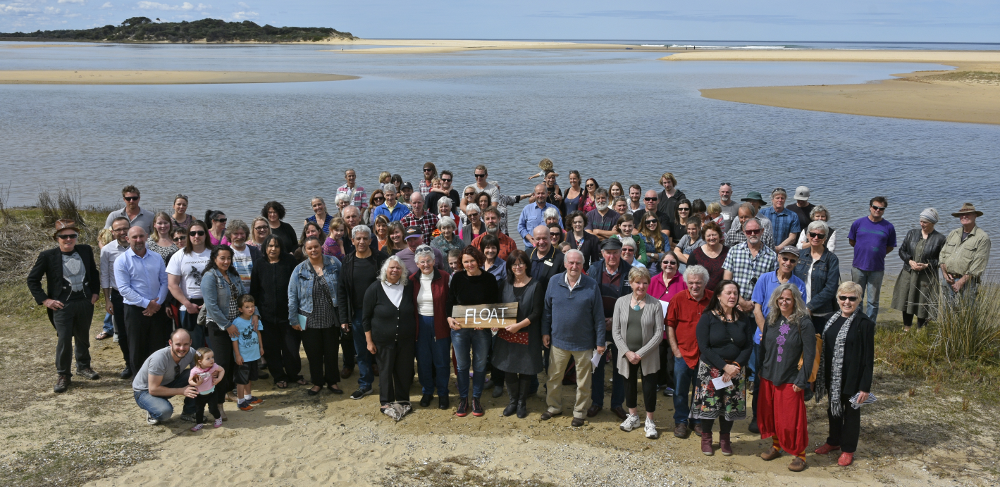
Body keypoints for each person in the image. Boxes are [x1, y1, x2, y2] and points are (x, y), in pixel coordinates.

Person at [27, 219, 101, 393]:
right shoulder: (47, 256)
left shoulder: (85, 250)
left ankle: (83, 367)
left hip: (84, 302)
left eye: (72, 236)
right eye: (64, 236)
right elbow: (32, 280)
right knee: (64, 339)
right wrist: (46, 300)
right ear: (57, 238)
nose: (68, 239)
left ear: (76, 237)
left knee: (83, 336)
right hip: (62, 305)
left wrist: (95, 292)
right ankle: (63, 375)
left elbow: (94, 272)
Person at [541, 249, 606, 427]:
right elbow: (547, 310)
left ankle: (579, 412)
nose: (574, 266)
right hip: (558, 341)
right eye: (571, 262)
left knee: (583, 382)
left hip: (584, 343)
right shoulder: (554, 282)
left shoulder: (591, 285)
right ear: (565, 264)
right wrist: (545, 332)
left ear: (583, 265)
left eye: (578, 263)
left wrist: (600, 342)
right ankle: (554, 407)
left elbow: (599, 317)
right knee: (554, 377)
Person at [814, 281, 876, 467]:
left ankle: (848, 449)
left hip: (853, 378)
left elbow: (868, 358)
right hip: (832, 376)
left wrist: (865, 387)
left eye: (852, 298)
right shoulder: (829, 319)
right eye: (843, 297)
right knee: (833, 410)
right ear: (837, 298)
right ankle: (834, 441)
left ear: (859, 300)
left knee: (850, 414)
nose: (847, 302)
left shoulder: (864, 323)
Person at [757, 284, 815, 472]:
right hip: (768, 376)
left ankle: (800, 454)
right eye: (781, 298)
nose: (784, 302)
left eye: (788, 299)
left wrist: (802, 379)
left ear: (795, 300)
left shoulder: (803, 323)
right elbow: (764, 348)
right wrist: (760, 371)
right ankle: (776, 445)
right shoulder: (771, 319)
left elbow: (809, 354)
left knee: (791, 420)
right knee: (772, 415)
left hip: (790, 378)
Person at [748, 246, 806, 432]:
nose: (788, 263)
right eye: (785, 259)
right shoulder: (765, 279)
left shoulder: (799, 284)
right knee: (761, 379)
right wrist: (766, 332)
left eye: (792, 260)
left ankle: (779, 419)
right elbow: (757, 309)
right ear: (778, 258)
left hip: (786, 343)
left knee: (782, 382)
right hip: (762, 339)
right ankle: (758, 418)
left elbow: (799, 313)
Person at [694, 280, 753, 456]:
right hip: (712, 370)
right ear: (719, 296)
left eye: (735, 293)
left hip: (735, 370)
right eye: (728, 293)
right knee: (709, 405)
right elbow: (704, 346)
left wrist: (734, 366)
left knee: (730, 406)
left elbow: (748, 346)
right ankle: (706, 439)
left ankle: (725, 439)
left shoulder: (743, 319)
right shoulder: (707, 317)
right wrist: (723, 366)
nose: (733, 296)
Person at [201, 244, 256, 416]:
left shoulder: (233, 274)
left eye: (228, 258)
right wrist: (227, 325)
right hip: (219, 326)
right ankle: (217, 404)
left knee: (235, 362)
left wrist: (255, 314)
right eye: (222, 258)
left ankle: (228, 392)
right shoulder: (209, 277)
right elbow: (211, 306)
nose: (226, 261)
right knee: (221, 364)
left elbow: (243, 297)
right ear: (214, 259)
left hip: (237, 325)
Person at [489, 250, 544, 418]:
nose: (518, 266)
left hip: (527, 333)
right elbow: (498, 307)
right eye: (514, 264)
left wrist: (519, 326)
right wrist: (495, 324)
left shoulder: (536, 285)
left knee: (526, 369)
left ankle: (522, 402)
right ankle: (512, 401)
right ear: (510, 267)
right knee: (509, 368)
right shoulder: (504, 284)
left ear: (526, 265)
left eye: (521, 263)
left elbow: (536, 312)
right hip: (507, 335)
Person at [446, 247, 500, 417]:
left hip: (481, 330)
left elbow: (494, 304)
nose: (469, 265)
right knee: (462, 366)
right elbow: (450, 301)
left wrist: (486, 323)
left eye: (472, 261)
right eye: (465, 262)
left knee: (479, 365)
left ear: (478, 260)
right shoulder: (457, 278)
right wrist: (448, 318)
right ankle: (463, 399)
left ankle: (476, 398)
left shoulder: (489, 279)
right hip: (460, 329)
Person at [611, 266, 664, 439]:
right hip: (626, 355)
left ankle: (650, 420)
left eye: (644, 283)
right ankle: (633, 416)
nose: (641, 286)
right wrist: (627, 352)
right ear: (631, 283)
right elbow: (616, 331)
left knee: (649, 387)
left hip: (648, 355)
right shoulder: (621, 302)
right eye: (637, 282)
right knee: (629, 385)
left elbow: (658, 333)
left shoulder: (655, 304)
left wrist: (640, 353)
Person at [288, 236, 344, 396]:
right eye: (309, 248)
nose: (313, 250)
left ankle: (332, 381)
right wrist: (293, 319)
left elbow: (343, 287)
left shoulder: (334, 264)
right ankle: (317, 382)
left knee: (332, 352)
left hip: (331, 316)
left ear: (321, 247)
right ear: (305, 251)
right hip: (308, 318)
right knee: (313, 353)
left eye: (316, 247)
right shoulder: (299, 270)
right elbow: (292, 296)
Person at [336, 226, 388, 399]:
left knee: (383, 350)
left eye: (365, 238)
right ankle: (365, 384)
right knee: (362, 350)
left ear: (370, 240)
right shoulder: (348, 261)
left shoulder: (380, 258)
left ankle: (387, 384)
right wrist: (343, 318)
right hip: (358, 314)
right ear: (352, 241)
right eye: (358, 238)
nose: (362, 242)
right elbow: (342, 291)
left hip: (380, 313)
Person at [364, 256, 417, 421]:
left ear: (402, 271)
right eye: (391, 268)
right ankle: (386, 401)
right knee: (385, 372)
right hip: (383, 340)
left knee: (403, 371)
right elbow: (365, 318)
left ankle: (402, 400)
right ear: (385, 270)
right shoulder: (374, 289)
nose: (395, 270)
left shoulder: (408, 287)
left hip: (406, 340)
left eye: (398, 268)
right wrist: (369, 341)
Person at [115, 226, 171, 381]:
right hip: (135, 309)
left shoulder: (156, 257)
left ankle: (158, 379)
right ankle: (140, 380)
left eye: (141, 236)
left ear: (147, 236)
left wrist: (157, 302)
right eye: (134, 237)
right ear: (127, 239)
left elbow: (164, 281)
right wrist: (147, 304)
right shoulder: (122, 261)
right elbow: (124, 289)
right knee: (137, 346)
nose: (138, 240)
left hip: (157, 307)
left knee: (158, 345)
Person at [586, 239, 630, 419]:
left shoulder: (630, 271)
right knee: (597, 366)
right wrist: (598, 320)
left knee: (620, 367)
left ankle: (617, 404)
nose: (612, 256)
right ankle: (596, 402)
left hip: (621, 326)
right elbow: (587, 297)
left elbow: (635, 300)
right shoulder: (594, 269)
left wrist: (616, 320)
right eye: (608, 252)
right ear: (602, 254)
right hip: (598, 326)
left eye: (615, 252)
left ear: (621, 253)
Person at [666, 265, 712, 438]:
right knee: (679, 390)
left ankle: (697, 421)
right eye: (691, 283)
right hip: (683, 354)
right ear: (686, 282)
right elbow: (670, 324)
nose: (695, 286)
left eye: (698, 283)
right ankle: (681, 421)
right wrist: (675, 350)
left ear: (705, 283)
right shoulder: (677, 299)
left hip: (705, 356)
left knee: (701, 390)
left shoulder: (713, 299)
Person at [250, 234, 301, 389]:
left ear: (281, 248)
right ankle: (278, 376)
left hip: (289, 315)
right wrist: (255, 313)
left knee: (291, 348)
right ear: (265, 248)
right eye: (270, 246)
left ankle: (294, 374)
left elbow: (298, 286)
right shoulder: (259, 264)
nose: (273, 249)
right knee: (272, 350)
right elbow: (254, 291)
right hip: (266, 316)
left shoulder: (290, 262)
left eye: (276, 246)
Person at [410, 246, 452, 409]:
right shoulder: (412, 279)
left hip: (440, 323)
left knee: (441, 361)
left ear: (434, 261)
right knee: (423, 361)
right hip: (421, 325)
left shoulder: (445, 277)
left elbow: (452, 300)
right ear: (417, 264)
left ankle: (442, 393)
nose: (426, 264)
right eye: (422, 262)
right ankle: (427, 391)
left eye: (429, 261)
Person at [891, 209, 946, 331]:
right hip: (908, 273)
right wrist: (910, 261)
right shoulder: (912, 233)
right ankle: (907, 328)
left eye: (925, 222)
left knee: (923, 301)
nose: (922, 224)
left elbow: (942, 260)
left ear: (933, 222)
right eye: (921, 221)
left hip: (927, 276)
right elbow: (902, 251)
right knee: (907, 299)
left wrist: (927, 265)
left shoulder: (940, 239)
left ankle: (921, 329)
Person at [132, 328, 198, 425]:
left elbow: (201, 369)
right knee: (165, 412)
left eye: (186, 344)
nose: (182, 348)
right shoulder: (159, 359)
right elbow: (153, 389)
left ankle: (189, 412)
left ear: (190, 342)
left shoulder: (191, 352)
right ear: (170, 343)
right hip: (145, 390)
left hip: (168, 383)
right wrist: (182, 391)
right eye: (178, 344)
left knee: (197, 376)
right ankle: (152, 410)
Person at [848, 196, 897, 322]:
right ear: (870, 207)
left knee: (873, 301)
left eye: (881, 208)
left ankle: (869, 325)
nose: (877, 210)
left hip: (877, 268)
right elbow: (852, 241)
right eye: (875, 207)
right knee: (856, 297)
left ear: (884, 210)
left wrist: (877, 253)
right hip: (858, 267)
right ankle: (855, 322)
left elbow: (890, 246)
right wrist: (864, 251)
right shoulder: (858, 223)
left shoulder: (888, 227)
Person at [167, 219, 213, 352]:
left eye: (200, 233)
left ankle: (217, 371)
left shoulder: (214, 253)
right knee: (194, 345)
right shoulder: (179, 256)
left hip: (212, 304)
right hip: (189, 306)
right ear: (188, 235)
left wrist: (211, 303)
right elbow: (172, 284)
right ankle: (196, 371)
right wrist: (187, 304)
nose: (196, 236)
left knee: (213, 343)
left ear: (206, 234)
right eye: (193, 233)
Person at [794, 220, 842, 338]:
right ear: (807, 235)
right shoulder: (799, 255)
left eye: (820, 235)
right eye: (812, 234)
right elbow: (792, 281)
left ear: (825, 238)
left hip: (822, 312)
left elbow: (831, 288)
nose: (816, 238)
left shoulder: (831, 259)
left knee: (820, 347)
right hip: (799, 309)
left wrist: (810, 307)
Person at [100, 217, 133, 377]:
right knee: (122, 331)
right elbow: (105, 276)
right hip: (118, 296)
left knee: (139, 331)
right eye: (118, 230)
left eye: (125, 228)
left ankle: (140, 362)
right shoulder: (107, 250)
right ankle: (129, 364)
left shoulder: (141, 246)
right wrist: (107, 300)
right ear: (112, 232)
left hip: (140, 296)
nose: (122, 232)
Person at [723, 219, 778, 314]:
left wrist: (753, 303)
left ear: (762, 231)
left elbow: (771, 285)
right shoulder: (734, 251)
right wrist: (741, 301)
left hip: (759, 309)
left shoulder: (772, 256)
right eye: (749, 231)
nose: (752, 234)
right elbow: (727, 280)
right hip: (735, 306)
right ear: (744, 232)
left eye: (756, 231)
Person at [940, 203, 992, 304]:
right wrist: (945, 275)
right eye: (962, 214)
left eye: (968, 214)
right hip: (948, 280)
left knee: (967, 314)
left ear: (975, 216)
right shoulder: (953, 234)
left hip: (968, 283)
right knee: (948, 314)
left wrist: (961, 281)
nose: (964, 216)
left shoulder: (982, 238)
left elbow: (979, 264)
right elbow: (942, 255)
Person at [230, 295, 264, 411]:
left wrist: (261, 347)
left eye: (252, 306)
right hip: (243, 357)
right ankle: (240, 401)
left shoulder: (255, 320)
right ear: (240, 309)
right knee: (241, 380)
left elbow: (258, 333)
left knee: (249, 377)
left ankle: (248, 397)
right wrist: (237, 355)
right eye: (247, 307)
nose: (250, 309)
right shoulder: (237, 322)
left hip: (253, 355)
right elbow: (234, 340)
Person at [187, 347, 224, 431]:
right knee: (199, 410)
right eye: (208, 358)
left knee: (213, 408)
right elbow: (189, 381)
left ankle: (218, 418)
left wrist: (218, 379)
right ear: (200, 361)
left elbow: (222, 370)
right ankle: (199, 423)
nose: (212, 360)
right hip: (199, 394)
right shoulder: (195, 371)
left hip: (212, 392)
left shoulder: (213, 366)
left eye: (212, 357)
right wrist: (197, 383)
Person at [687, 221, 729, 292]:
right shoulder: (696, 253)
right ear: (704, 237)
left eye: (714, 235)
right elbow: (689, 275)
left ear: (719, 235)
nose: (712, 238)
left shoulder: (728, 252)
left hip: (722, 294)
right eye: (708, 236)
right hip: (701, 294)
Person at [518, 184, 561, 248]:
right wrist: (529, 238)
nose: (540, 196)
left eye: (543, 193)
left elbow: (560, 227)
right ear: (534, 195)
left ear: (547, 194)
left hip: (549, 246)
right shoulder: (527, 209)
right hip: (531, 246)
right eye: (538, 193)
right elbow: (520, 227)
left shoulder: (554, 209)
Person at [227, 219, 261, 289]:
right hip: (232, 294)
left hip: (252, 293)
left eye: (242, 233)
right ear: (230, 235)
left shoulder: (254, 251)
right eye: (236, 234)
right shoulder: (225, 252)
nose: (239, 237)